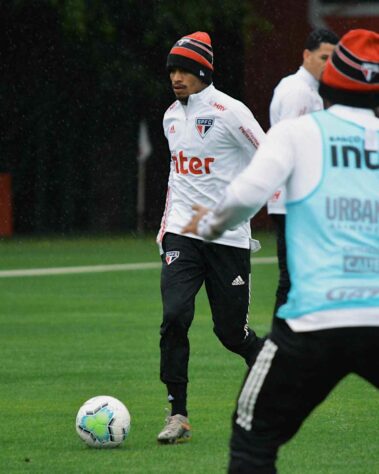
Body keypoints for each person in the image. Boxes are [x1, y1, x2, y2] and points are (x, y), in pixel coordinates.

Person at [182, 28, 379, 472]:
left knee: (253, 437)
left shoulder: (298, 132)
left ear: (330, 81)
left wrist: (209, 224)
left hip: (313, 321)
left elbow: (247, 194)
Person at [156, 31, 266, 444]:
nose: (177, 77)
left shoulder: (230, 111)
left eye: (184, 69)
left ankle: (269, 363)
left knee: (231, 334)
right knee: (174, 317)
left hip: (226, 238)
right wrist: (166, 228)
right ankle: (178, 414)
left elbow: (270, 156)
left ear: (204, 71)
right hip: (182, 235)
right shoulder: (170, 117)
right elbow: (176, 176)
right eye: (172, 70)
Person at [267, 28, 339, 315]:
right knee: (294, 280)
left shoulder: (311, 91)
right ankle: (277, 353)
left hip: (297, 198)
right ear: (306, 55)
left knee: (301, 279)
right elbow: (289, 148)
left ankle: (292, 352)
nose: (328, 64)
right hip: (293, 200)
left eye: (334, 60)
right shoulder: (298, 91)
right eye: (324, 57)